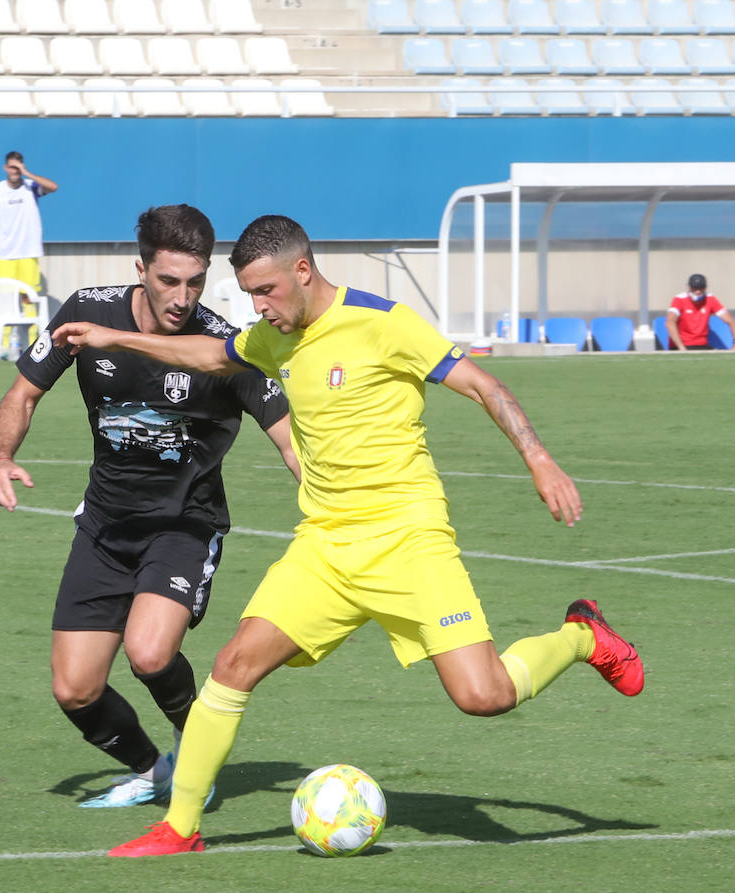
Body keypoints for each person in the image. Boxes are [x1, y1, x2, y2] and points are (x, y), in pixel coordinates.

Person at [52, 215, 645, 857]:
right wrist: (115, 337)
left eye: (268, 291)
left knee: (484, 695)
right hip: (326, 547)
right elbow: (210, 354)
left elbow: (483, 385)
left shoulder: (385, 323)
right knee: (233, 666)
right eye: (249, 294)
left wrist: (540, 459)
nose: (259, 308)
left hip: (409, 542)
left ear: (303, 271)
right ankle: (181, 828)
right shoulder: (275, 337)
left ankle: (582, 635)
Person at [0, 205, 299, 809]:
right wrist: (0, 459)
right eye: (168, 280)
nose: (183, 297)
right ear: (141, 269)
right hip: (104, 526)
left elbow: (289, 438)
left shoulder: (224, 346)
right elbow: (22, 393)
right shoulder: (86, 310)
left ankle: (196, 747)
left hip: (184, 525)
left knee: (150, 652)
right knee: (75, 689)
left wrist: (329, 498)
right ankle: (158, 771)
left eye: (196, 281)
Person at [0, 151, 57, 351]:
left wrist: (26, 172)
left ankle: (32, 343)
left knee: (28, 297)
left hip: (28, 252)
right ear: (5, 168)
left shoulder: (31, 187)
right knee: (4, 298)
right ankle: (5, 345)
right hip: (6, 254)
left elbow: (53, 187)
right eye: (11, 167)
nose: (14, 171)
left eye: (17, 167)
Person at [666, 273, 735, 351]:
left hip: (703, 345)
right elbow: (670, 322)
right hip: (682, 346)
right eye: (694, 288)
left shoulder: (710, 298)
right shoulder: (679, 299)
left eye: (701, 288)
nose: (698, 292)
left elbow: (731, 322)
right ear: (688, 287)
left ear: (705, 288)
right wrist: (681, 347)